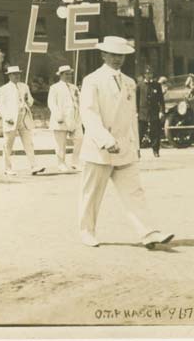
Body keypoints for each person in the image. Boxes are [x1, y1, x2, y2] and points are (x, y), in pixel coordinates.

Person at [78, 36, 174, 249]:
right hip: (100, 147)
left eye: (120, 55)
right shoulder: (92, 80)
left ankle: (148, 232)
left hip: (124, 148)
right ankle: (87, 231)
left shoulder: (130, 82)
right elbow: (89, 114)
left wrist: (136, 146)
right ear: (103, 55)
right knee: (92, 193)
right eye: (113, 55)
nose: (117, 59)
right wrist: (105, 140)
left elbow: (132, 117)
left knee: (134, 192)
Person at [0, 65, 45, 176]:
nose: (17, 76)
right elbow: (1, 105)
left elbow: (30, 101)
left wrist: (28, 100)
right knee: (8, 144)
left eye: (18, 74)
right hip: (11, 119)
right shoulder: (3, 89)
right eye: (14, 74)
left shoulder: (24, 86)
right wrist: (6, 117)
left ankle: (34, 166)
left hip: (24, 117)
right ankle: (7, 168)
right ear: (9, 76)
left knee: (29, 143)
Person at [48, 65, 83, 172]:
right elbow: (51, 103)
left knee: (80, 139)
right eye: (66, 74)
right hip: (61, 118)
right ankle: (61, 163)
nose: (69, 76)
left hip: (74, 118)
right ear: (61, 75)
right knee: (61, 143)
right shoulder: (55, 87)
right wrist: (58, 115)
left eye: (70, 74)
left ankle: (75, 162)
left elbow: (78, 101)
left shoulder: (74, 87)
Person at [137, 66, 165, 158]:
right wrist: (136, 112)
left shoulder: (157, 85)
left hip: (154, 112)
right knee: (140, 132)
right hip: (142, 113)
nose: (149, 75)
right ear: (144, 75)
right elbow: (136, 100)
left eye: (150, 74)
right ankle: (137, 151)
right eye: (147, 74)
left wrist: (161, 111)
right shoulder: (140, 85)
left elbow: (161, 100)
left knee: (155, 132)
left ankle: (156, 150)